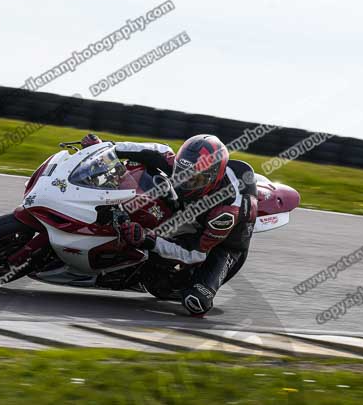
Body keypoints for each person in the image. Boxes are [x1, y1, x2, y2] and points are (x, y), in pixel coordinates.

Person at [80, 133, 258, 316]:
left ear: (214, 177)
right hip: (191, 213)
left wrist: (149, 239)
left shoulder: (225, 212)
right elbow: (150, 150)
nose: (185, 182)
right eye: (182, 173)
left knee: (196, 302)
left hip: (225, 244)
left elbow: (195, 253)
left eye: (194, 179)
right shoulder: (180, 163)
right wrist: (102, 148)